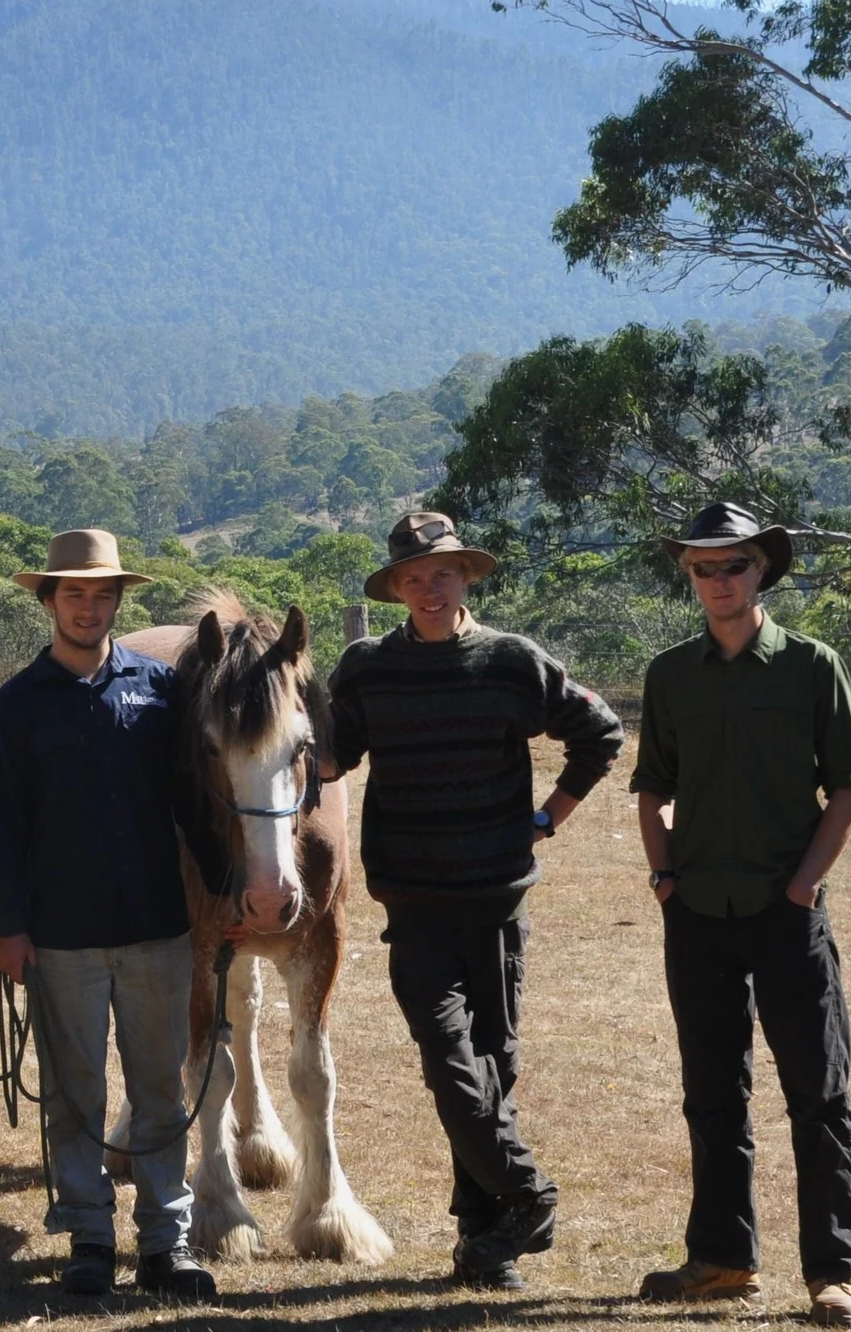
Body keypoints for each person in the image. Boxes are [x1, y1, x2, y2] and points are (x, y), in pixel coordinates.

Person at [325, 511, 623, 1290]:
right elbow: (330, 755)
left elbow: (600, 732)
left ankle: (483, 1242)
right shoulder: (364, 669)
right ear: (395, 589)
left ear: (467, 577)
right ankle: (530, 1193)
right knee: (452, 1066)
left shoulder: (512, 661)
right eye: (413, 578)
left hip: (496, 901)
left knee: (494, 1069)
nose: (429, 588)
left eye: (443, 573)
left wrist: (547, 816)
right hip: (416, 905)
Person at [629, 502, 851, 1331]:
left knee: (819, 1093)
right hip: (697, 911)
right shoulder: (670, 674)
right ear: (688, 575)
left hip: (785, 911)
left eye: (733, 564)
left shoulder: (812, 665)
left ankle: (832, 1275)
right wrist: (663, 876)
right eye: (703, 566)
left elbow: (849, 783)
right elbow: (651, 787)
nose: (719, 579)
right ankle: (723, 1259)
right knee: (711, 1092)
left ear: (762, 568)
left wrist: (806, 883)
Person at [0, 529, 218, 1300]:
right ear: (48, 600)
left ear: (118, 600)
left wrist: (227, 889)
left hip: (157, 925)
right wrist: (8, 926)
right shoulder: (15, 705)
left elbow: (194, 805)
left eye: (102, 593)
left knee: (160, 1091)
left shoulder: (162, 689)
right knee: (75, 1093)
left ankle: (163, 1241)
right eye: (73, 592)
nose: (88, 605)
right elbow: (1, 823)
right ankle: (87, 1233)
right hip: (61, 934)